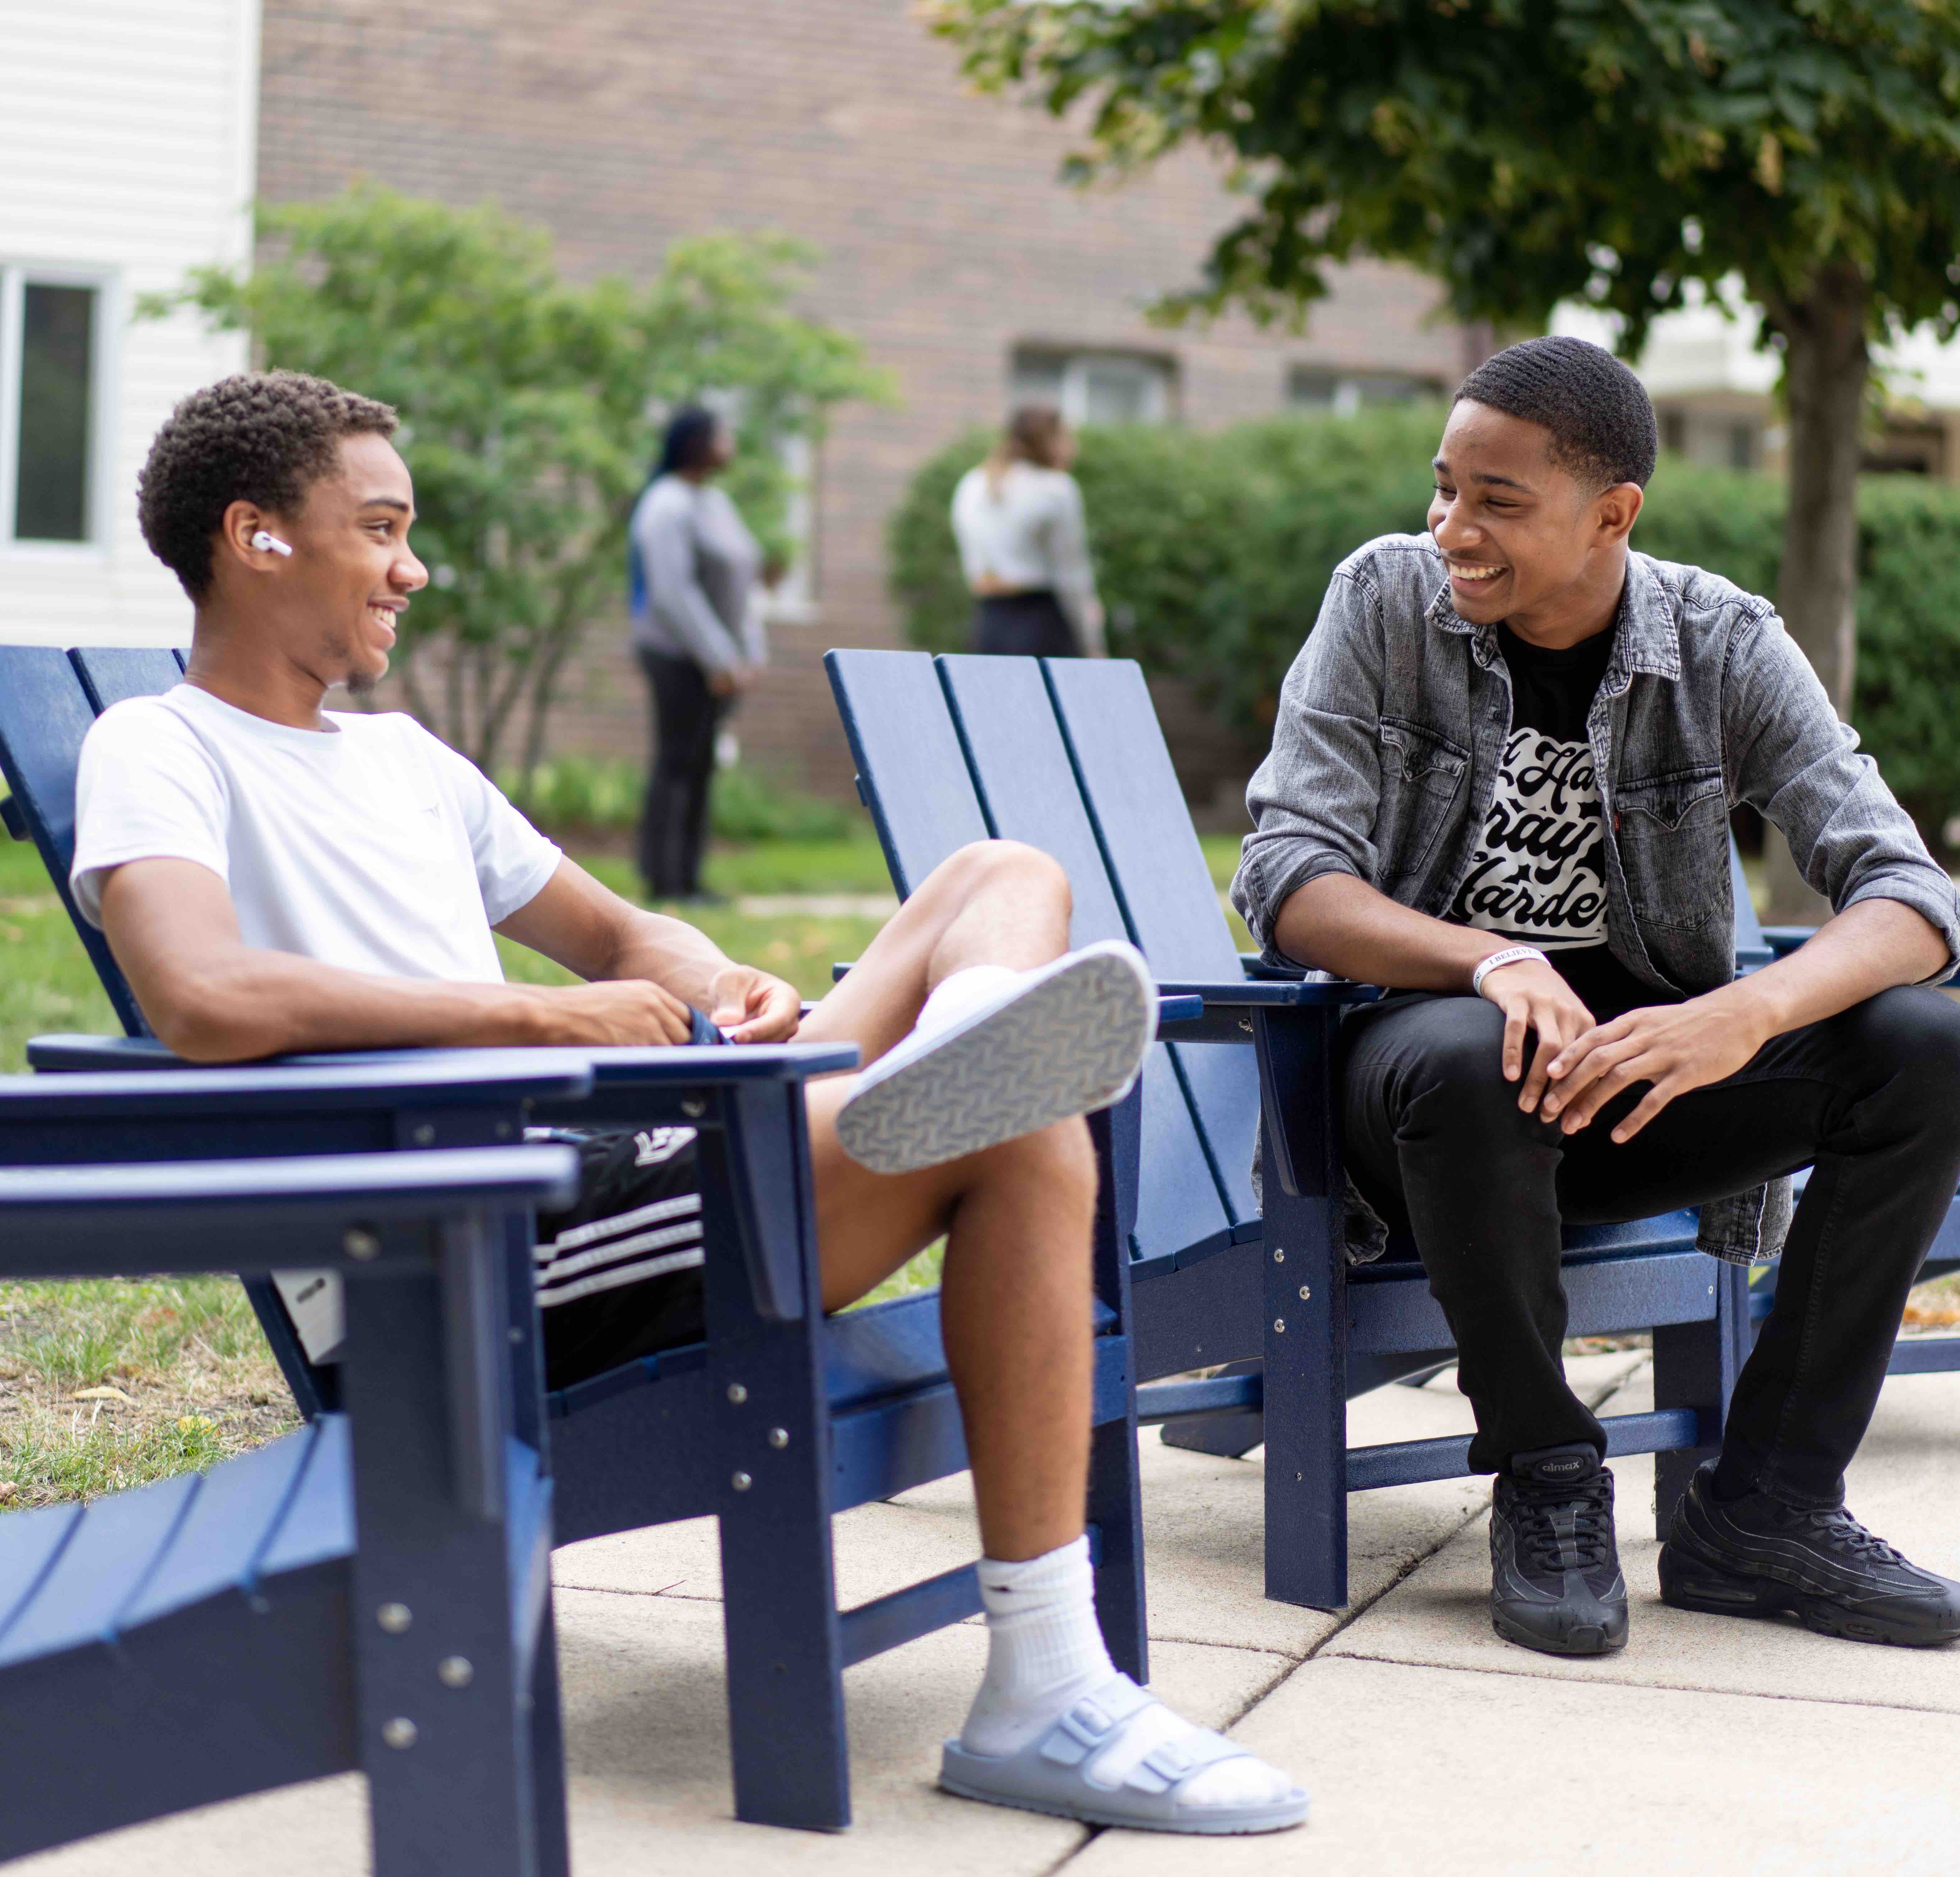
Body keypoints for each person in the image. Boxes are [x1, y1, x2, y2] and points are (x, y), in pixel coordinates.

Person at [73, 369, 1309, 1835]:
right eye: (382, 528)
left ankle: (963, 1051)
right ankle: (1041, 1684)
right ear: (255, 537)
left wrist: (719, 979)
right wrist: (535, 1013)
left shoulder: (407, 762)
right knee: (1031, 1132)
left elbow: (624, 940)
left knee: (1000, 875)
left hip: (629, 1157)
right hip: (468, 1247)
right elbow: (200, 995)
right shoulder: (159, 745)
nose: (414, 565)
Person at [1234, 335, 1960, 1660]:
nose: (1452, 526)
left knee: (1929, 1043)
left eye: (1497, 501)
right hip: (1419, 1093)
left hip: (1632, 1089)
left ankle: (1769, 1507)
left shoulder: (1720, 639)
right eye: (1444, 487)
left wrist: (1745, 1014)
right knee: (1470, 1050)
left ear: (1611, 514)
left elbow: (1914, 899)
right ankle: (1548, 1474)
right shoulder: (1384, 601)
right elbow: (1286, 879)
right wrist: (1488, 956)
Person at [628, 405, 766, 903]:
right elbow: (672, 593)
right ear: (695, 443)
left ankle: (690, 878)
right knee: (677, 763)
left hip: (717, 662)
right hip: (676, 656)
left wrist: (746, 653)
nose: (730, 444)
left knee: (703, 765)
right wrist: (718, 659)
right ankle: (663, 879)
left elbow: (741, 580)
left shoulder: (715, 502)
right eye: (721, 435)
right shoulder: (666, 504)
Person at [952, 406, 1105, 658]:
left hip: (988, 624)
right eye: (1068, 438)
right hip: (1042, 624)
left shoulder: (972, 483)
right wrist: (1092, 642)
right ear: (1050, 441)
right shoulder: (1056, 489)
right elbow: (1073, 576)